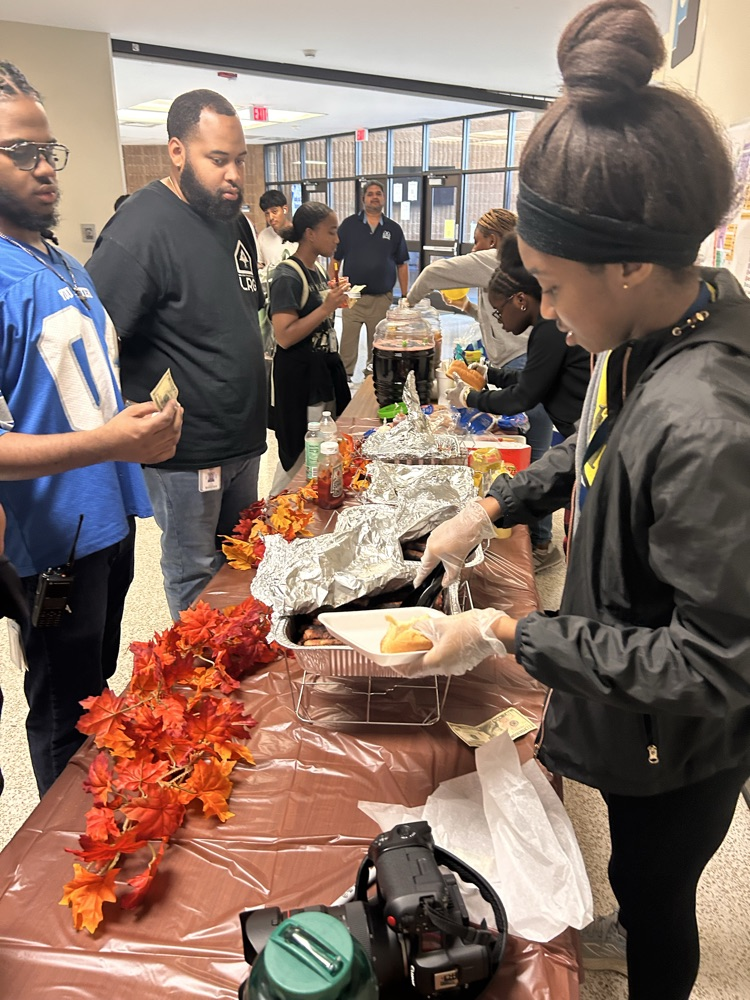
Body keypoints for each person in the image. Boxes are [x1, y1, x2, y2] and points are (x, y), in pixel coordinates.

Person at [411, 2, 750, 998]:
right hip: (632, 694)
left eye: (555, 288)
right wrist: (491, 508)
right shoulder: (657, 325)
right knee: (638, 877)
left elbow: (713, 663)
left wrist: (513, 632)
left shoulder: (711, 421)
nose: (549, 314)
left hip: (679, 738)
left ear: (631, 264)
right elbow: (598, 448)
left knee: (657, 886)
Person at [0, 61, 182, 795]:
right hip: (50, 544)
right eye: (21, 152)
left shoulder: (63, 263)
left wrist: (137, 425)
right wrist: (111, 443)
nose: (46, 168)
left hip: (109, 520)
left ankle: (99, 812)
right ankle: (61, 841)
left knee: (96, 692)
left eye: (48, 150)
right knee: (63, 708)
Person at [87, 89, 266, 621]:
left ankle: (240, 665)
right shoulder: (141, 228)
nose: (234, 175)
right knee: (196, 574)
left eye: (240, 160)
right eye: (218, 160)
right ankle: (203, 673)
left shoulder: (233, 220)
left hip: (243, 439)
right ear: (177, 151)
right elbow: (96, 343)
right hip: (186, 453)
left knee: (243, 564)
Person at [446, 235, 591, 570]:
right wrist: (493, 374)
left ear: (522, 300)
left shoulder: (551, 329)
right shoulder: (548, 329)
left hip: (581, 432)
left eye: (499, 311)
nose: (498, 320)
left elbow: (524, 396)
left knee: (579, 527)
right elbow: (535, 380)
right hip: (577, 432)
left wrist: (470, 397)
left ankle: (550, 552)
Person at [268, 202, 351, 492]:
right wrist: (326, 307)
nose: (337, 239)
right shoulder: (288, 275)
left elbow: (317, 317)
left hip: (321, 374)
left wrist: (334, 299)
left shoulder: (315, 271)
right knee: (299, 454)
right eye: (331, 232)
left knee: (319, 449)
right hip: (299, 380)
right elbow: (284, 335)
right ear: (310, 234)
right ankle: (274, 506)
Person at [406, 208, 526, 367]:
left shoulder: (497, 258)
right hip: (525, 354)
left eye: (476, 242)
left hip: (518, 358)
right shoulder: (521, 258)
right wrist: (466, 306)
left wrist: (407, 305)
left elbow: (431, 273)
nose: (473, 249)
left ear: (492, 241)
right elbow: (496, 321)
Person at [331, 181, 409, 379]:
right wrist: (334, 286)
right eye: (370, 194)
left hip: (381, 298)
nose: (374, 197)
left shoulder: (393, 229)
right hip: (352, 297)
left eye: (378, 193)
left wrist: (405, 295)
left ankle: (372, 380)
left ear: (384, 198)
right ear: (363, 199)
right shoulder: (349, 226)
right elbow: (336, 259)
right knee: (348, 342)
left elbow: (402, 264)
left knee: (378, 345)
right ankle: (344, 378)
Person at [257, 189, 297, 269]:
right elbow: (259, 264)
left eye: (274, 211)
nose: (271, 217)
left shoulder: (299, 233)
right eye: (267, 213)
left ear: (285, 209)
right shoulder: (263, 236)